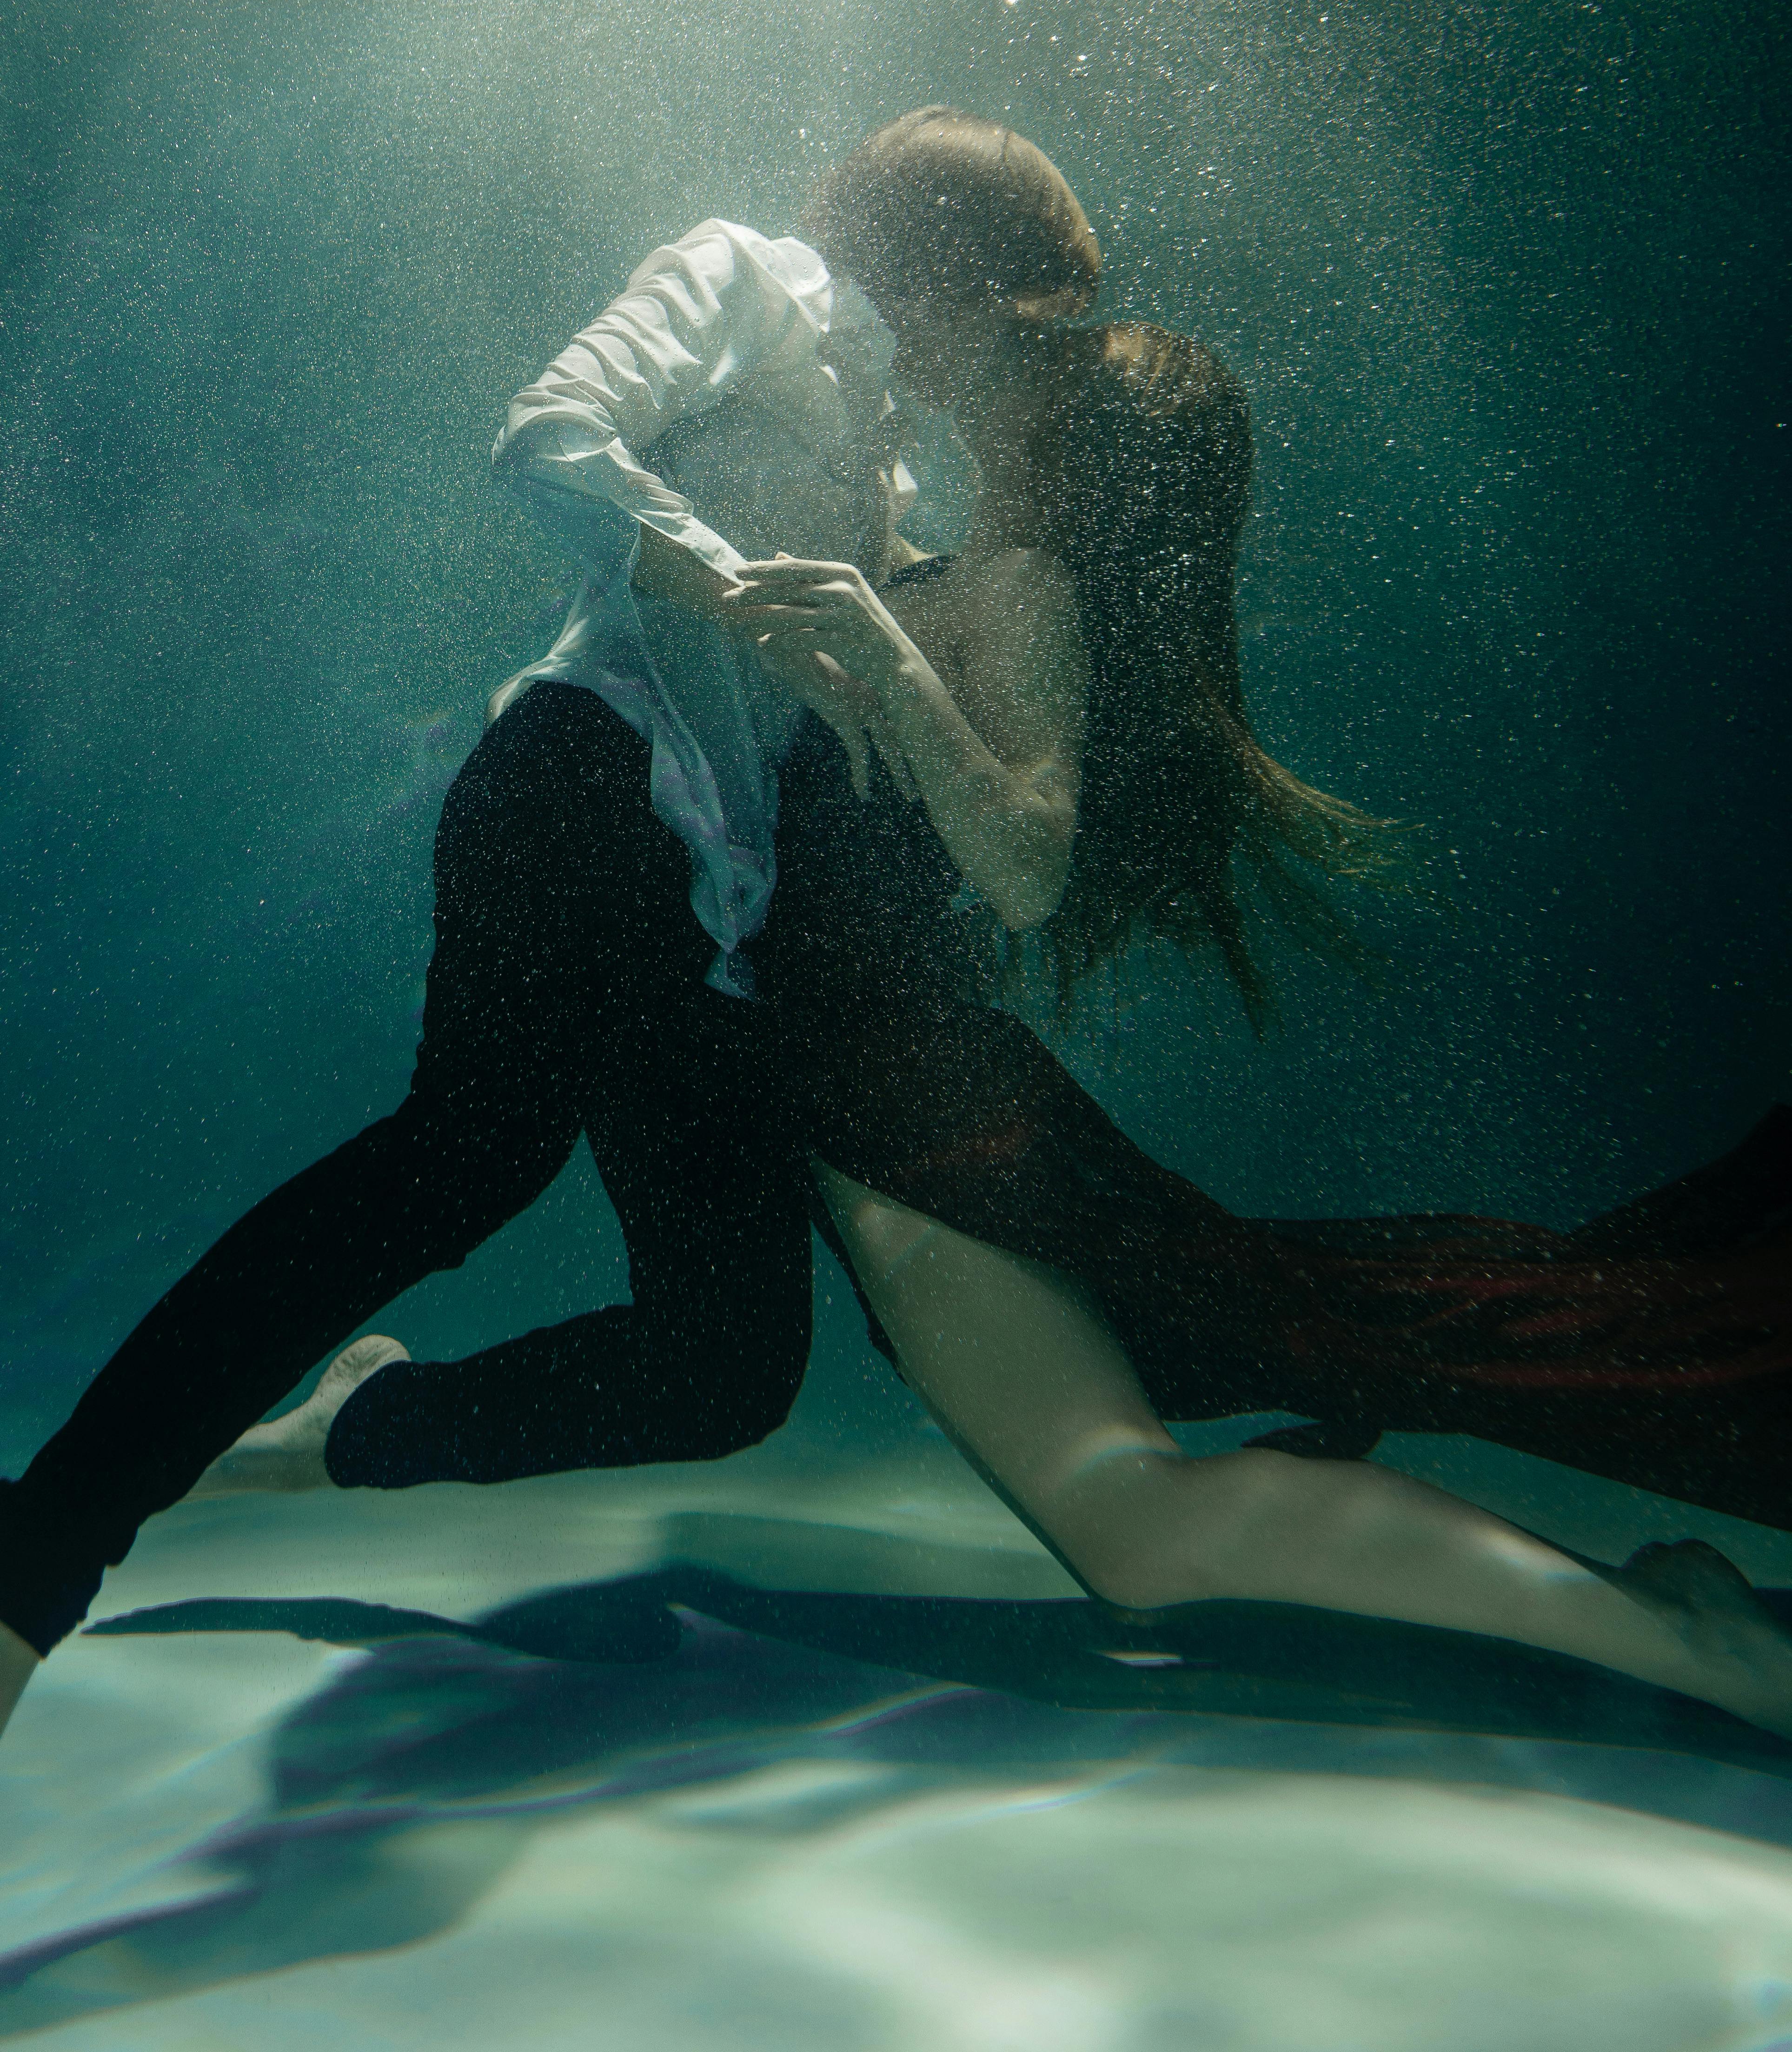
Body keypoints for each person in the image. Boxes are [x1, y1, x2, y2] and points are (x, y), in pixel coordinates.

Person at [0, 109, 1101, 1742]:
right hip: (581, 787)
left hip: (706, 893)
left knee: (727, 1366)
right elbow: (549, 431)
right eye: (1022, 320)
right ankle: (38, 1565)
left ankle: (364, 1425)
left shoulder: (891, 459)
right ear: (954, 271)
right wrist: (729, 583)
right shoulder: (751, 280)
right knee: (461, 1155)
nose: (1015, 363)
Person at [716, 318, 1792, 1755]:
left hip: (898, 1100)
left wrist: (874, 641)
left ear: (1058, 452)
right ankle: (1673, 1631)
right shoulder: (986, 582)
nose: (956, 392)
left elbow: (1021, 863)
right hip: (910, 1080)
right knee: (1158, 1491)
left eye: (1006, 386)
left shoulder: (1010, 593)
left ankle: (1686, 1647)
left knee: (1133, 1526)